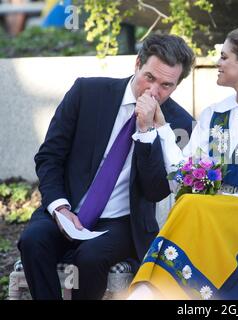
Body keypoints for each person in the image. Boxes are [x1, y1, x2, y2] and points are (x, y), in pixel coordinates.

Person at [127, 27, 238, 300]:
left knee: (192, 205)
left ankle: (146, 290)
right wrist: (161, 129)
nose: (217, 63)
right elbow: (182, 176)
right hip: (210, 220)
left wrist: (222, 203)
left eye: (224, 57)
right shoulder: (214, 114)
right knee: (190, 203)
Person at [18, 34, 195, 300]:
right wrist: (60, 207)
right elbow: (49, 157)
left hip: (122, 221)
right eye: (149, 77)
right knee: (33, 241)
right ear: (137, 64)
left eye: (166, 85)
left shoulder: (179, 123)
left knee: (90, 257)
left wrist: (147, 131)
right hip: (68, 205)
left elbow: (156, 190)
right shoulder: (87, 92)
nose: (154, 91)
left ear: (177, 85)